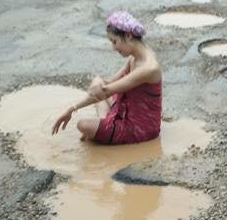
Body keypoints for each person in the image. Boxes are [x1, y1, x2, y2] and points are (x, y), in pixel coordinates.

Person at [52, 11, 162, 145]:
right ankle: (104, 127)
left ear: (128, 35)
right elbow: (109, 83)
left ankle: (103, 130)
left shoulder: (149, 68)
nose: (113, 47)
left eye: (114, 41)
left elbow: (105, 91)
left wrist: (72, 109)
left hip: (140, 129)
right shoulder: (134, 58)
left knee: (83, 125)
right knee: (97, 83)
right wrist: (100, 82)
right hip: (126, 111)